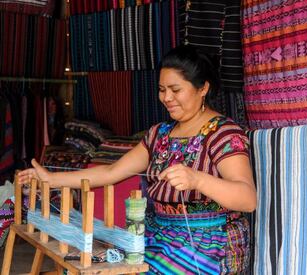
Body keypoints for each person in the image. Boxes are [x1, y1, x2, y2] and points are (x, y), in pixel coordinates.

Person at [18, 44, 257, 274]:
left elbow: (247, 199)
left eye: (176, 90)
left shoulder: (223, 134)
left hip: (207, 244)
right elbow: (111, 172)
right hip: (159, 235)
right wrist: (52, 178)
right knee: (98, 267)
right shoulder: (159, 134)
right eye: (162, 90)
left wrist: (197, 180)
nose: (167, 98)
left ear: (203, 88)